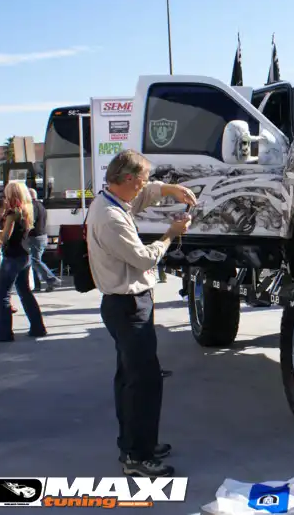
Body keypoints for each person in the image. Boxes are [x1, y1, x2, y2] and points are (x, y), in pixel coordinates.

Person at [87, 149, 195, 478]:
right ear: (128, 179)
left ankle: (135, 443)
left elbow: (145, 195)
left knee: (130, 378)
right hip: (129, 305)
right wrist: (171, 234)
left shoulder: (111, 201)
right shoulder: (111, 218)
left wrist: (170, 189)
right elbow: (145, 259)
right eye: (143, 179)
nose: (145, 186)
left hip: (125, 304)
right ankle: (137, 456)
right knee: (144, 382)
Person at [0, 182, 47, 342]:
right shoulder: (28, 210)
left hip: (12, 257)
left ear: (11, 194)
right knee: (25, 293)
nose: (4, 196)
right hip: (24, 255)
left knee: (3, 295)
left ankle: (3, 334)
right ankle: (38, 328)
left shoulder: (12, 213)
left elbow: (4, 238)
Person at [27, 188, 62, 292]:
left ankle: (53, 280)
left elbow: (31, 222)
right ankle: (37, 285)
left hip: (35, 236)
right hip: (41, 236)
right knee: (34, 260)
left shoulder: (33, 206)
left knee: (35, 260)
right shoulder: (41, 205)